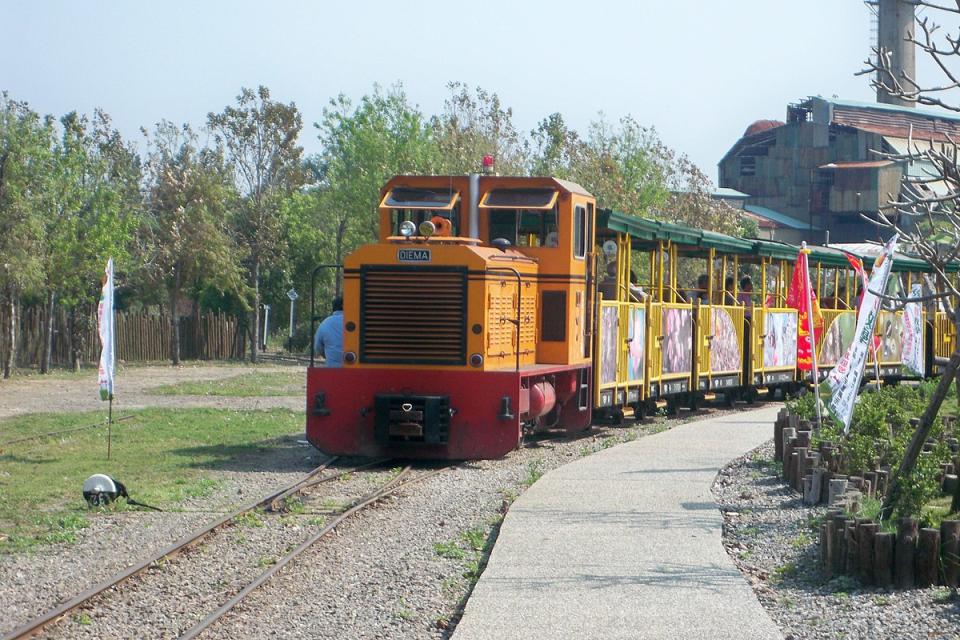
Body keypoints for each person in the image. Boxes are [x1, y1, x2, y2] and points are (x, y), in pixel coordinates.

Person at [314, 296, 344, 367]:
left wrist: (328, 355)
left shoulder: (325, 323)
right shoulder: (356, 323)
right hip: (355, 368)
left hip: (332, 368)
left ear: (333, 308)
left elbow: (317, 347)